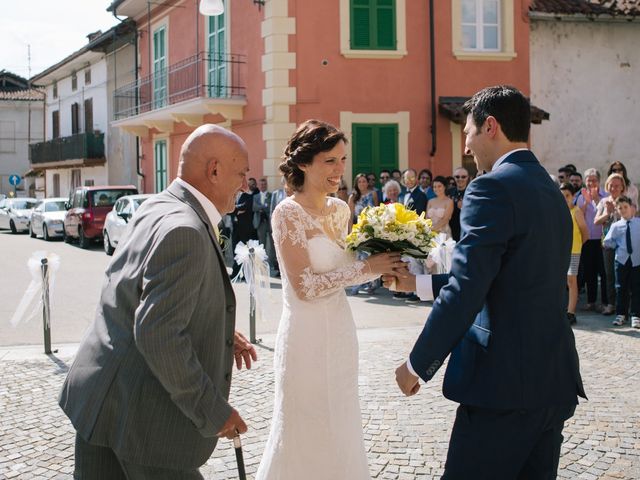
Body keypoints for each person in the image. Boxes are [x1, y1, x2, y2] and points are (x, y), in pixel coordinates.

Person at [386, 86, 585, 479]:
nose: (466, 145)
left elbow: (467, 289)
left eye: (468, 133)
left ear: (490, 126)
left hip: (503, 388)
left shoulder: (491, 187)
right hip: (552, 380)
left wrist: (417, 363)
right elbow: (504, 277)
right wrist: (417, 285)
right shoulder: (548, 188)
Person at [58, 124, 258, 479]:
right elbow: (157, 332)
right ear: (214, 170)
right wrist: (212, 411)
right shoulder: (187, 229)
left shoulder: (156, 205)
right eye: (242, 174)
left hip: (100, 400)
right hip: (144, 420)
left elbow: (135, 293)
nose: (245, 185)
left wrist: (217, 328)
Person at [255, 119, 403, 479]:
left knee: (341, 420)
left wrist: (388, 259)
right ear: (304, 163)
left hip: (340, 332)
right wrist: (368, 269)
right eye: (330, 161)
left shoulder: (341, 210)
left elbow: (344, 267)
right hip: (304, 337)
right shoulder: (287, 213)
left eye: (342, 160)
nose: (340, 170)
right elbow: (304, 285)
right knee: (304, 424)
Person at [603, 195, 640, 327]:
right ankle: (621, 314)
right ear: (617, 210)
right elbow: (607, 241)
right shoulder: (616, 226)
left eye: (625, 207)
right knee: (621, 287)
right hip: (621, 260)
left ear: (631, 208)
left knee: (637, 287)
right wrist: (614, 245)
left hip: (637, 260)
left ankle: (635, 314)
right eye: (620, 208)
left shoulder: (638, 223)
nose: (623, 210)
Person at [577, 168, 610, 313]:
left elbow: (603, 214)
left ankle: (605, 302)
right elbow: (579, 215)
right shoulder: (580, 197)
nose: (591, 183)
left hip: (602, 239)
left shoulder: (606, 195)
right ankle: (591, 301)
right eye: (589, 180)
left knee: (603, 272)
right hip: (587, 239)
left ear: (599, 181)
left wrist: (596, 199)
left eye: (594, 180)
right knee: (589, 271)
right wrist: (586, 202)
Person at [595, 173, 628, 317]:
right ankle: (611, 304)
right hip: (608, 244)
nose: (614, 188)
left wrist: (620, 211)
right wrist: (607, 213)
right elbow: (596, 221)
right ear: (607, 186)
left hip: (624, 244)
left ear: (622, 187)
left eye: (617, 186)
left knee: (624, 274)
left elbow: (630, 218)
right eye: (611, 185)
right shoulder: (603, 202)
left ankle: (625, 305)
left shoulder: (626, 201)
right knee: (609, 275)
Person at [560, 183, 588, 325]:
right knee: (560, 281)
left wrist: (578, 246)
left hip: (573, 251)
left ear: (573, 196)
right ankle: (560, 309)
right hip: (559, 252)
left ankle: (570, 312)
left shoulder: (576, 212)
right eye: (562, 196)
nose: (565, 199)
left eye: (567, 196)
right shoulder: (557, 212)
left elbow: (585, 233)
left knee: (572, 281)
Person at [447, 167, 470, 241]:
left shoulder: (472, 191)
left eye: (463, 177)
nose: (460, 179)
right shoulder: (449, 192)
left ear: (467, 178)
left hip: (467, 229)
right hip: (451, 229)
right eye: (457, 177)